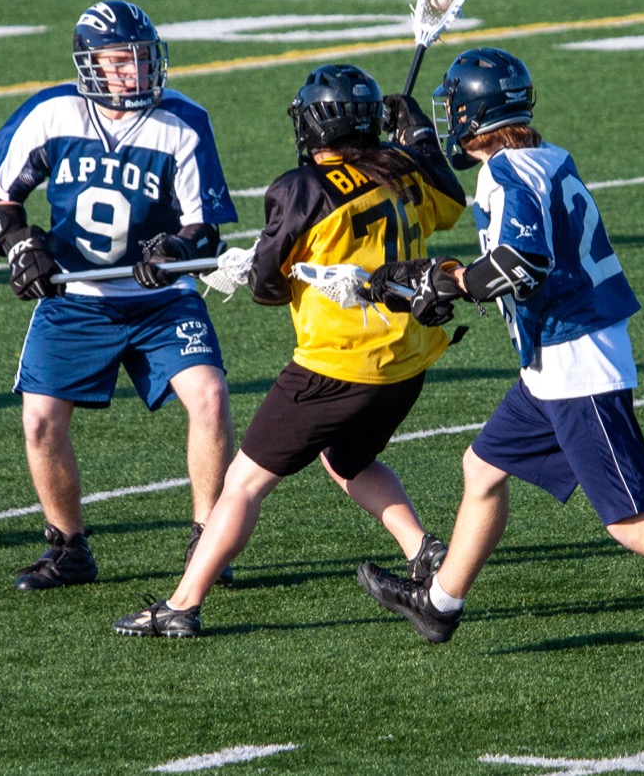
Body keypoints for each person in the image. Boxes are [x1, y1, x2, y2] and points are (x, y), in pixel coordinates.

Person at [356, 47, 644, 687]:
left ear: (473, 115)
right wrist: (446, 273)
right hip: (553, 361)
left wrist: (444, 285)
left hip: (576, 364)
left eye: (452, 112)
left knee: (630, 519)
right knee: (481, 467)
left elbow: (520, 264)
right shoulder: (545, 157)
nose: (448, 121)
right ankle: (440, 603)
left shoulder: (505, 174)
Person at [111, 64, 469, 638]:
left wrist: (246, 269)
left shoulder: (299, 187)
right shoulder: (401, 170)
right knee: (346, 459)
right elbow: (452, 205)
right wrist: (420, 140)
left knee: (244, 483)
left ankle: (181, 604)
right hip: (406, 362)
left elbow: (269, 288)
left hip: (335, 367)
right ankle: (423, 550)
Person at [0, 0, 237, 591]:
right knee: (40, 420)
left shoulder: (183, 121)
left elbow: (206, 227)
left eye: (142, 60)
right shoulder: (50, 114)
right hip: (76, 296)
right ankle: (68, 547)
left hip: (160, 299)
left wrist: (173, 248)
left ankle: (209, 540)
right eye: (121, 61)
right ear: (90, 62)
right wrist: (20, 246)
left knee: (210, 395)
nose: (136, 73)